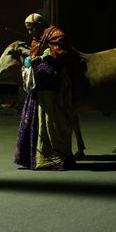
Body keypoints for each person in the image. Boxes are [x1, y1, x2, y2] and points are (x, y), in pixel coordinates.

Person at [14, 13, 76, 170]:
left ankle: (55, 157)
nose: (30, 32)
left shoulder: (56, 34)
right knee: (38, 121)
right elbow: (34, 53)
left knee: (52, 122)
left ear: (40, 25)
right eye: (27, 29)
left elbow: (61, 53)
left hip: (54, 86)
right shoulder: (38, 38)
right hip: (39, 87)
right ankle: (35, 157)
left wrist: (42, 58)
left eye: (31, 28)